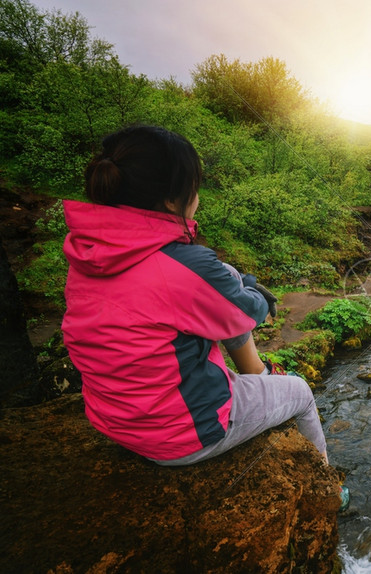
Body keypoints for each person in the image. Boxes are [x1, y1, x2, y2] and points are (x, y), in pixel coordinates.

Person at [61, 125, 341, 502]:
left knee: (219, 286)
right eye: (194, 188)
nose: (197, 197)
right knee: (301, 392)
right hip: (182, 434)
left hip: (116, 422)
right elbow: (250, 312)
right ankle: (327, 487)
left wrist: (228, 279)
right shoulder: (184, 265)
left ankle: (256, 372)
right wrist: (249, 287)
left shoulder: (87, 254)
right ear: (173, 201)